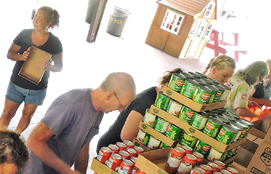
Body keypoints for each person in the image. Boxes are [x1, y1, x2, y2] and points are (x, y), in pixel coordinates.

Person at [17, 72, 136, 174]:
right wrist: (68, 172)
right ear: (110, 95)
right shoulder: (72, 104)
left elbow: (83, 146)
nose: (120, 111)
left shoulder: (98, 112)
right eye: (122, 106)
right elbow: (34, 140)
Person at [96, 55, 236, 151]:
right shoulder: (147, 100)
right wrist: (150, 150)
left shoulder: (163, 101)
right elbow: (126, 136)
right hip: (111, 147)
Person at [0, 7, 64, 134]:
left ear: (48, 23)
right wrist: (21, 57)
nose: (35, 20)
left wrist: (51, 67)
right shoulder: (24, 34)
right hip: (16, 84)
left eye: (39, 19)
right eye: (35, 17)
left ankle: (15, 137)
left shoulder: (55, 43)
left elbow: (59, 67)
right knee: (7, 113)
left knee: (27, 116)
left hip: (37, 89)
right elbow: (10, 53)